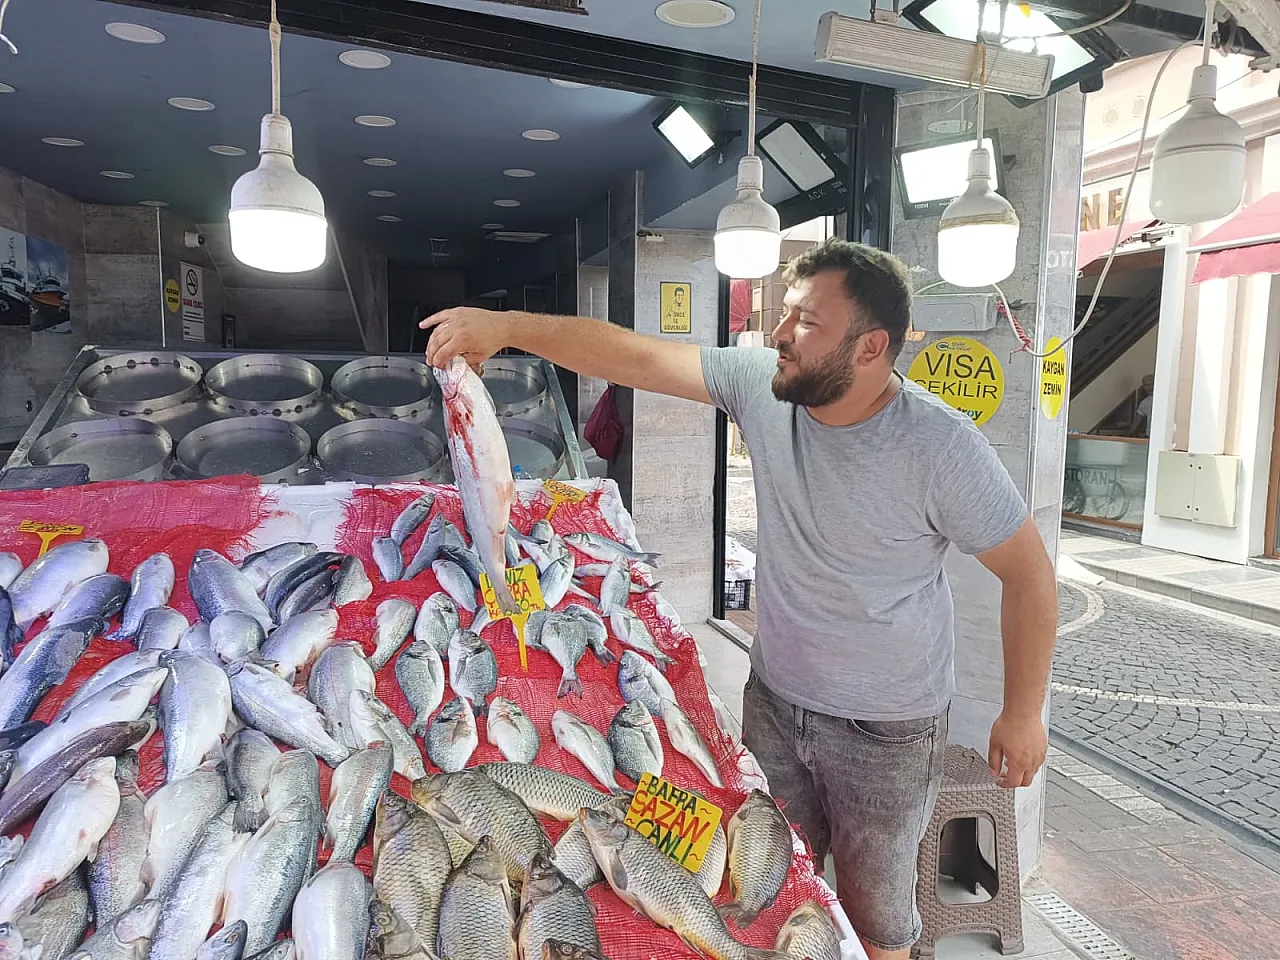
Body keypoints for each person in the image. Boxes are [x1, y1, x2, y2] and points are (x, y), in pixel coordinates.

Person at [420, 238, 1058, 960]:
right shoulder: (764, 381)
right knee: (769, 878)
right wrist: (508, 330)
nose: (780, 334)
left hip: (890, 729)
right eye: (786, 313)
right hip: (778, 702)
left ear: (871, 347)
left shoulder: (941, 447)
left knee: (875, 916)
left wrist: (1022, 710)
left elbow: (1030, 575)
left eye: (807, 323)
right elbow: (636, 356)